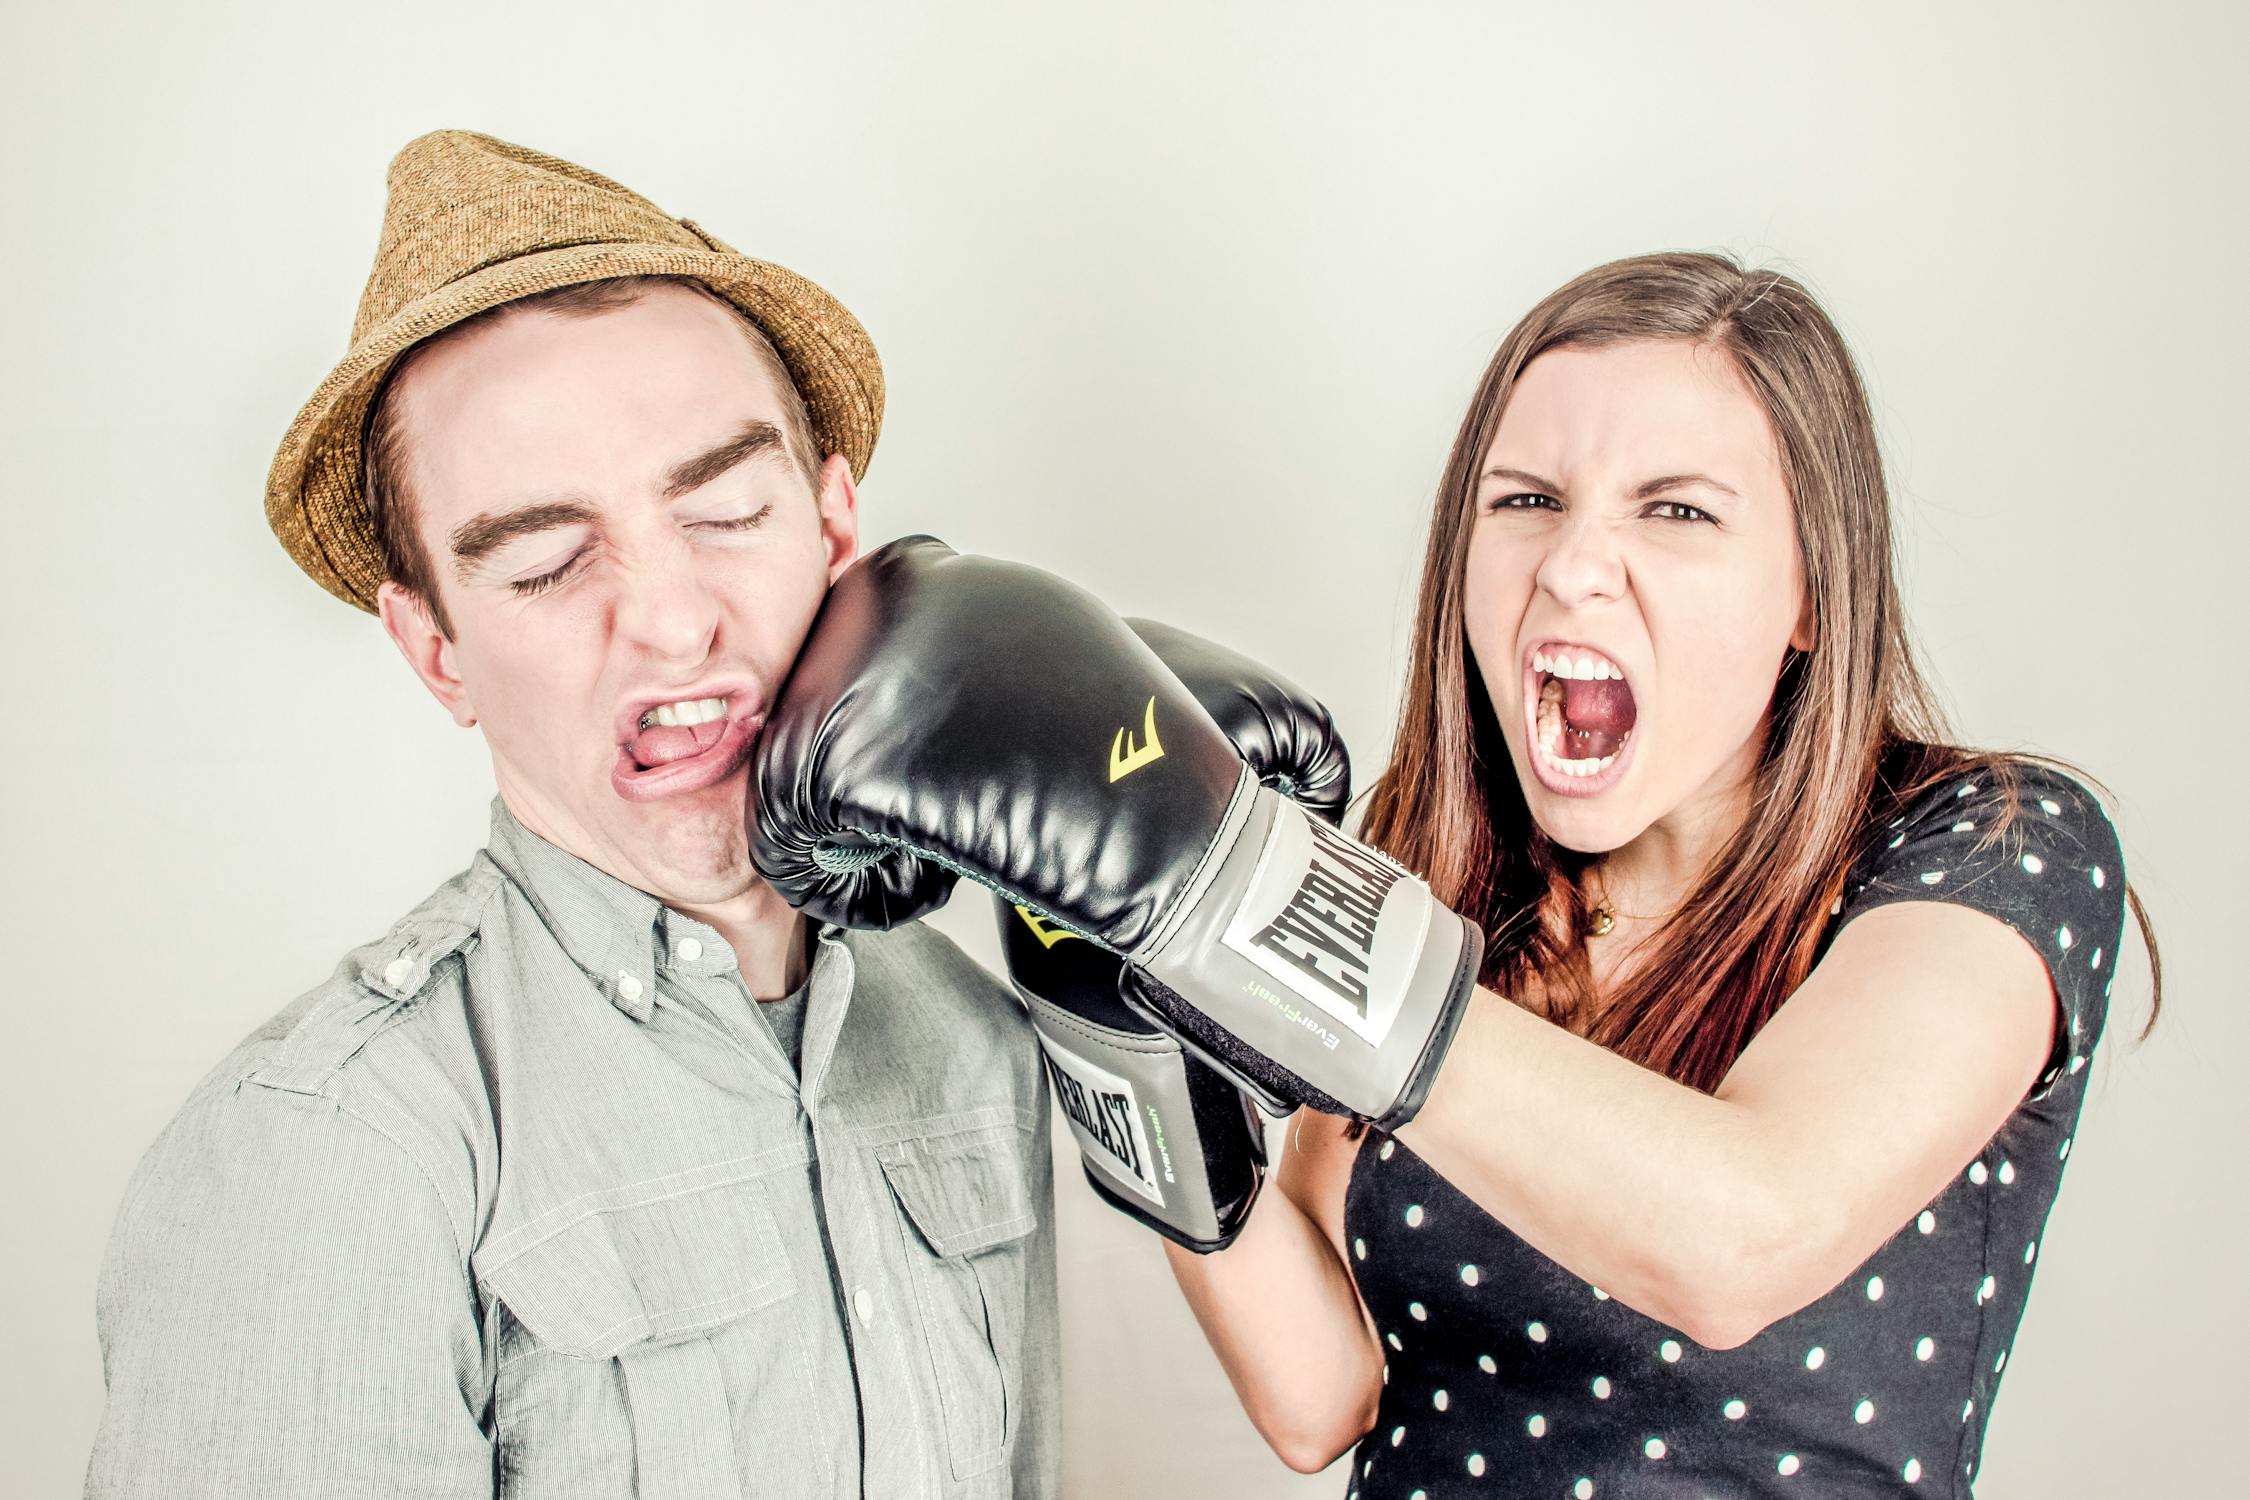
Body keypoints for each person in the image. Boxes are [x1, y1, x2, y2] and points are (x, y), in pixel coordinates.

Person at [746, 253, 2159, 1498]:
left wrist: (1235, 895)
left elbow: (1740, 1239)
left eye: (1674, 512)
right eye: (1526, 499)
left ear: (1809, 592)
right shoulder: (1435, 882)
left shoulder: (1987, 845)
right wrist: (1105, 996)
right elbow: (1321, 1399)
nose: (1570, 568)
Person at [85, 130, 1057, 1500]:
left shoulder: (970, 1036)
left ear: (836, 529)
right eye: (545, 563)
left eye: (724, 510)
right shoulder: (327, 1153)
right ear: (436, 653)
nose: (668, 620)